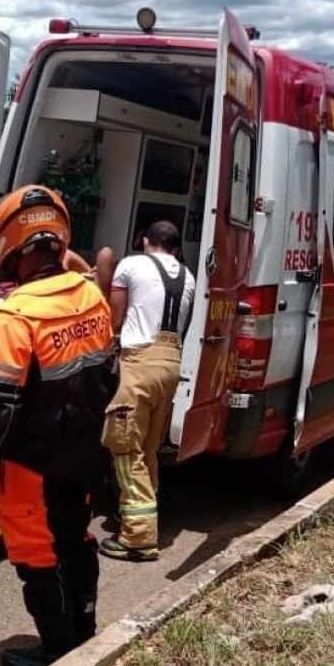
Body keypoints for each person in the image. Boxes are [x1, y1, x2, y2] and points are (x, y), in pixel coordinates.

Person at [0, 186, 118, 666]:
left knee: (36, 553)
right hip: (84, 449)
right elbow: (108, 372)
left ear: (8, 245)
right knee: (75, 540)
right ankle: (83, 628)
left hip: (32, 465)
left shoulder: (15, 313)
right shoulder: (89, 292)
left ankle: (57, 650)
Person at [99, 220, 195, 563]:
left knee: (126, 447)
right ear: (175, 247)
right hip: (171, 363)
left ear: (144, 241)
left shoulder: (131, 264)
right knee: (149, 448)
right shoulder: (188, 276)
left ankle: (138, 538)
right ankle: (145, 516)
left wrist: (106, 343)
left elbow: (115, 314)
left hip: (139, 362)